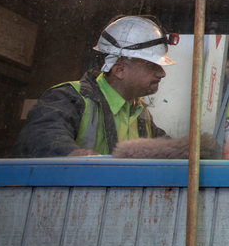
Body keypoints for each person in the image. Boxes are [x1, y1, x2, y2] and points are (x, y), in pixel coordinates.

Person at [15, 15, 175, 157]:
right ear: (119, 69)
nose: (162, 73)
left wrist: (191, 150)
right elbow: (41, 135)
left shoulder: (139, 111)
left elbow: (163, 148)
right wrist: (75, 156)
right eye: (152, 65)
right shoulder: (69, 97)